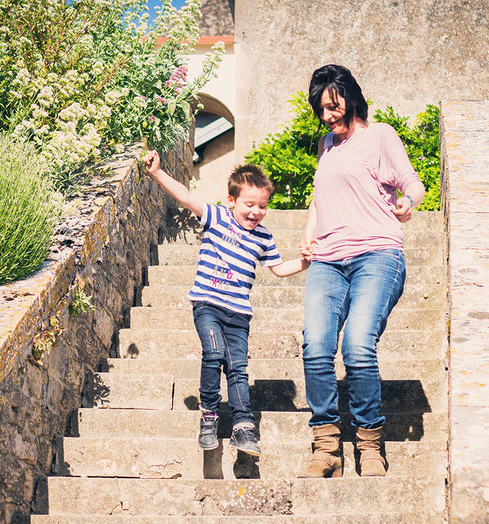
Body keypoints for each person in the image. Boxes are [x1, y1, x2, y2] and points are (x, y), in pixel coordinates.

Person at [298, 64, 425, 478]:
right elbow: (319, 198)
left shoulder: (380, 135)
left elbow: (412, 182)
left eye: (333, 106)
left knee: (356, 345)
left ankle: (370, 445)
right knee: (316, 347)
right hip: (328, 260)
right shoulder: (325, 146)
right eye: (321, 109)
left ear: (351, 98)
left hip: (377, 254)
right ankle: (327, 447)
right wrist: (309, 236)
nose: (328, 116)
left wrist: (409, 202)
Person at [144, 150, 310, 456]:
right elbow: (185, 197)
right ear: (231, 201)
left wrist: (305, 262)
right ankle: (209, 417)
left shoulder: (264, 238)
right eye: (250, 205)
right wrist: (157, 173)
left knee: (238, 369)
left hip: (239, 314)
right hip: (207, 304)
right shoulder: (217, 217)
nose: (256, 212)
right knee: (214, 352)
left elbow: (278, 269)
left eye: (262, 206)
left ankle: (243, 428)